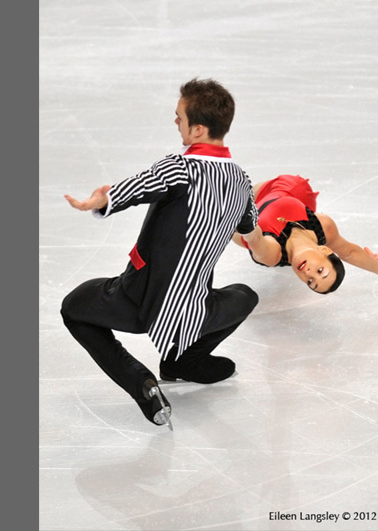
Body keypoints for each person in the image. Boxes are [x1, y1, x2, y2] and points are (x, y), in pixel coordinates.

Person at [61, 78, 275, 429]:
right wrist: (274, 251)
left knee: (74, 307)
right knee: (245, 296)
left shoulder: (181, 167)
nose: (175, 122)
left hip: (140, 301)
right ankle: (185, 361)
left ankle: (140, 382)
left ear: (199, 129)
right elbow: (256, 237)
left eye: (180, 117)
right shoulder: (241, 183)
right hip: (197, 311)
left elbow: (140, 185)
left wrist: (101, 199)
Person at [230, 174, 378, 293]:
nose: (308, 273)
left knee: (233, 217)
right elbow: (349, 252)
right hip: (289, 192)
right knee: (297, 188)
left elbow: (255, 238)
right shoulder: (323, 227)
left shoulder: (273, 255)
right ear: (325, 249)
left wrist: (231, 206)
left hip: (238, 220)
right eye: (320, 271)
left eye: (310, 282)